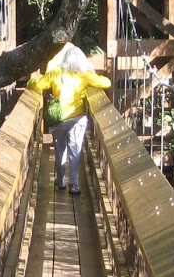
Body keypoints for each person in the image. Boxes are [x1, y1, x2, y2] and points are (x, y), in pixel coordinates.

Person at [27, 44, 111, 195]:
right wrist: (92, 73)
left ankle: (60, 181)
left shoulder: (55, 72)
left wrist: (30, 82)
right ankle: (74, 185)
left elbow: (39, 85)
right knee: (75, 151)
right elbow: (107, 83)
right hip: (77, 119)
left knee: (60, 151)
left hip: (57, 118)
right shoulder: (84, 74)